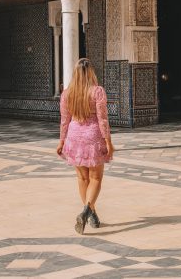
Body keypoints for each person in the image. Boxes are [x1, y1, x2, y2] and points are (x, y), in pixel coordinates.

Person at [56, 58, 114, 235]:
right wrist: (108, 141)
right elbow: (102, 119)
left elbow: (64, 120)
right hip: (93, 137)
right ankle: (87, 211)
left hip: (74, 137)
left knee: (82, 179)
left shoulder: (67, 94)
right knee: (95, 178)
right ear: (91, 73)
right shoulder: (97, 92)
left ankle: (91, 214)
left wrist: (61, 141)